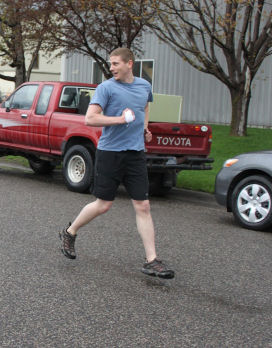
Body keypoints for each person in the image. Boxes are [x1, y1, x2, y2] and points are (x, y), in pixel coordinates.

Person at [59, 47, 175, 279]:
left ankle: (151, 260)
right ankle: (70, 232)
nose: (111, 68)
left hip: (135, 154)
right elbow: (90, 118)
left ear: (129, 63)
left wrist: (144, 127)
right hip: (110, 153)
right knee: (103, 205)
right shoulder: (106, 88)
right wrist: (120, 120)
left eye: (115, 64)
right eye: (110, 64)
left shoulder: (144, 86)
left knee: (143, 206)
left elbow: (145, 106)